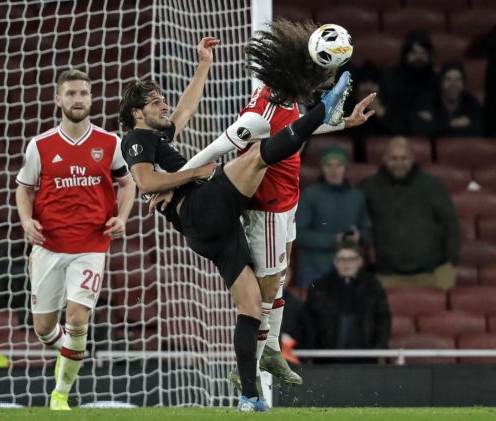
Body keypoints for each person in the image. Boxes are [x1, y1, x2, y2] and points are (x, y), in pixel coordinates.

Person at [120, 31, 352, 411]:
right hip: (201, 206)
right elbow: (145, 181)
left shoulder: (159, 136)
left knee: (250, 307)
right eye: (153, 101)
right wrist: (192, 175)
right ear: (135, 113)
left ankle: (249, 396)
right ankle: (319, 113)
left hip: (209, 228)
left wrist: (204, 67)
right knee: (260, 153)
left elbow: (185, 111)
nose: (163, 104)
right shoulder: (133, 140)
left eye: (162, 97)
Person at [176, 20, 375, 397]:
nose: (323, 82)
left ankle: (270, 350)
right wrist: (176, 181)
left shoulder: (286, 99)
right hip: (265, 207)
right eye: (322, 74)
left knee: (280, 274)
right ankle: (252, 362)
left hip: (288, 199)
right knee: (268, 284)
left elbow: (299, 129)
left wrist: (344, 123)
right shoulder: (259, 116)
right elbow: (218, 146)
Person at [15, 69, 136, 411]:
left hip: (91, 246)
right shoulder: (39, 145)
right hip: (49, 245)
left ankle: (60, 394)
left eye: (83, 93)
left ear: (92, 98)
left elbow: (127, 183)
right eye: (71, 94)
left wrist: (122, 217)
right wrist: (26, 221)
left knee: (78, 318)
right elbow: (23, 188)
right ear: (58, 99)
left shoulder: (109, 142)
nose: (78, 99)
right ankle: (70, 350)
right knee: (43, 328)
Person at [358, 137, 461, 290]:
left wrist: (451, 261)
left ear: (412, 159)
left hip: (432, 272)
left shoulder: (432, 185)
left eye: (404, 158)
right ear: (385, 159)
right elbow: (356, 222)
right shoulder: (368, 187)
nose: (399, 163)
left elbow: (451, 225)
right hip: (387, 274)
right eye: (394, 158)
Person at [301, 240, 391, 363]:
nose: (346, 264)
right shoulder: (320, 287)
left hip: (366, 356)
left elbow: (383, 319)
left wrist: (379, 349)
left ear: (360, 261)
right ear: (335, 262)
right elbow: (309, 322)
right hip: (326, 358)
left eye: (351, 259)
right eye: (341, 259)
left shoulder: (373, 286)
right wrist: (311, 352)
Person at [295, 144, 370, 287]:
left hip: (350, 268)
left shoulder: (357, 196)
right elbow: (298, 234)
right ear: (322, 168)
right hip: (315, 269)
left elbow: (367, 232)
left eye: (339, 165)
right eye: (328, 165)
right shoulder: (310, 195)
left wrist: (359, 236)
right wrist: (334, 240)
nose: (333, 170)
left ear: (345, 168)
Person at [410, 61, 484, 137]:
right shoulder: (426, 100)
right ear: (441, 82)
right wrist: (452, 123)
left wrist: (436, 124)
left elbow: (477, 132)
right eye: (448, 79)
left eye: (458, 80)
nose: (454, 85)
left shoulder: (471, 102)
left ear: (463, 83)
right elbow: (419, 130)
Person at [384, 30, 438, 134]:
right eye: (414, 52)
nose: (419, 57)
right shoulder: (391, 77)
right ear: (406, 54)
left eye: (423, 53)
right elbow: (392, 111)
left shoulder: (436, 80)